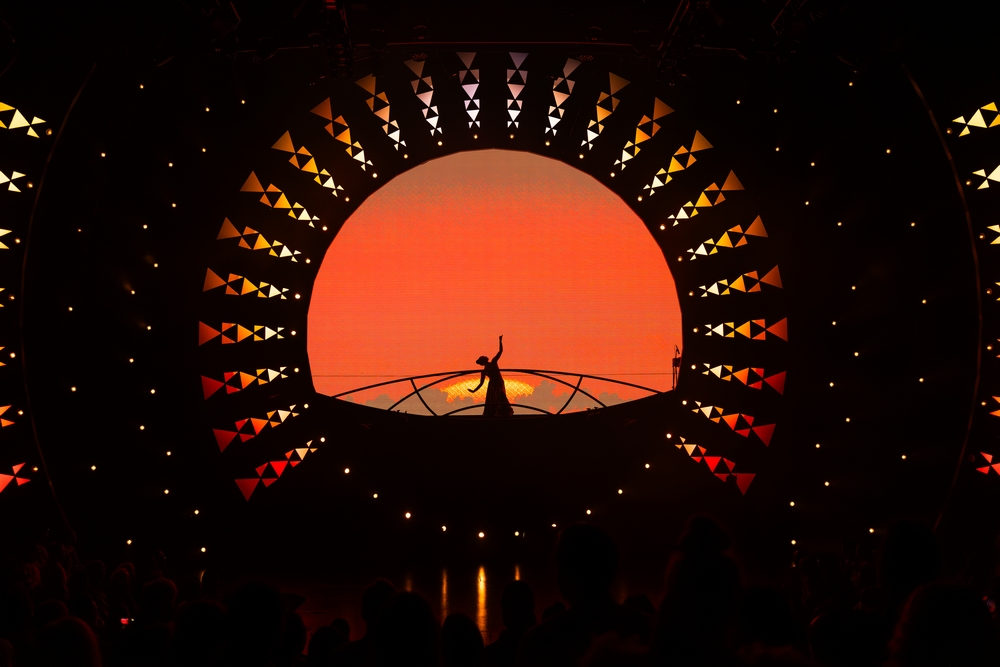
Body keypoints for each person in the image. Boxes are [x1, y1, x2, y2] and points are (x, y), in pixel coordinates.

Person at [517, 524, 649, 666]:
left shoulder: (540, 642)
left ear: (563, 574)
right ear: (612, 569)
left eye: (560, 565)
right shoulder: (648, 630)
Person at [469, 335, 514, 417]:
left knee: (500, 396)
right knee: (496, 398)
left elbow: (500, 351)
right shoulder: (487, 368)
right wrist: (473, 390)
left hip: (497, 383)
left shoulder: (492, 363)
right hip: (494, 384)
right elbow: (481, 383)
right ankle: (497, 413)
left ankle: (501, 412)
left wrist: (500, 341)